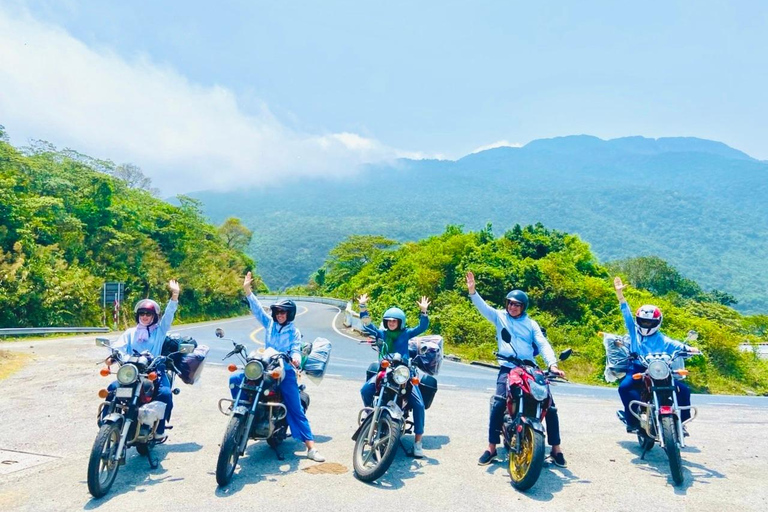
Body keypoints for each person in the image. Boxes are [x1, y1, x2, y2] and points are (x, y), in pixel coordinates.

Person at [465, 271, 568, 468]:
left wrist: (552, 364)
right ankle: (491, 448)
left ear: (523, 307)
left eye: (517, 304)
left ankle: (556, 450)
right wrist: (472, 291)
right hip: (508, 367)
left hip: (529, 367)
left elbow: (543, 343)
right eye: (510, 303)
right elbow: (483, 308)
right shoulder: (499, 317)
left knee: (550, 406)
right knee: (498, 403)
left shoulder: (531, 324)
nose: (513, 307)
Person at [229, 271, 325, 462]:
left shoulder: (294, 332)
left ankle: (311, 447)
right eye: (278, 312)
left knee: (295, 408)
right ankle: (237, 422)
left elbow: (296, 349)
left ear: (289, 314)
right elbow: (257, 309)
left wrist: (295, 359)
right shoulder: (270, 324)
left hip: (284, 372)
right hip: (265, 368)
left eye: (283, 312)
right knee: (236, 379)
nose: (280, 315)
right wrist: (247, 290)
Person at [613, 276, 700, 435]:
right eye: (643, 321)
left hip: (661, 369)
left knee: (684, 391)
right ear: (638, 320)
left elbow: (677, 345)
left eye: (649, 322)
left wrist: (690, 349)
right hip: (638, 367)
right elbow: (626, 313)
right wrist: (620, 295)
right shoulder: (634, 332)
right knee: (624, 387)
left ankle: (682, 422)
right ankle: (632, 421)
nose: (646, 324)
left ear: (657, 322)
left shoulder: (663, 339)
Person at [357, 292, 431, 458]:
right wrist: (363, 307)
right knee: (365, 390)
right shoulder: (382, 334)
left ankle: (418, 442)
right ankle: (370, 417)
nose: (391, 323)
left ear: (400, 322)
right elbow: (367, 325)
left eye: (394, 321)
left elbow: (422, 328)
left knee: (418, 405)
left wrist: (423, 312)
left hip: (403, 373)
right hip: (385, 371)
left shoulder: (405, 334)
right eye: (389, 320)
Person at [105, 279, 181, 438]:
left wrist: (174, 295)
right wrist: (113, 357)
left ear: (155, 316)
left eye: (149, 314)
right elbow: (119, 347)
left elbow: (169, 315)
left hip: (154, 371)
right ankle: (105, 424)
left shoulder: (159, 331)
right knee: (112, 389)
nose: (145, 316)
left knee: (165, 394)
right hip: (131, 371)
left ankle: (159, 429)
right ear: (137, 315)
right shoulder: (130, 332)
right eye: (142, 313)